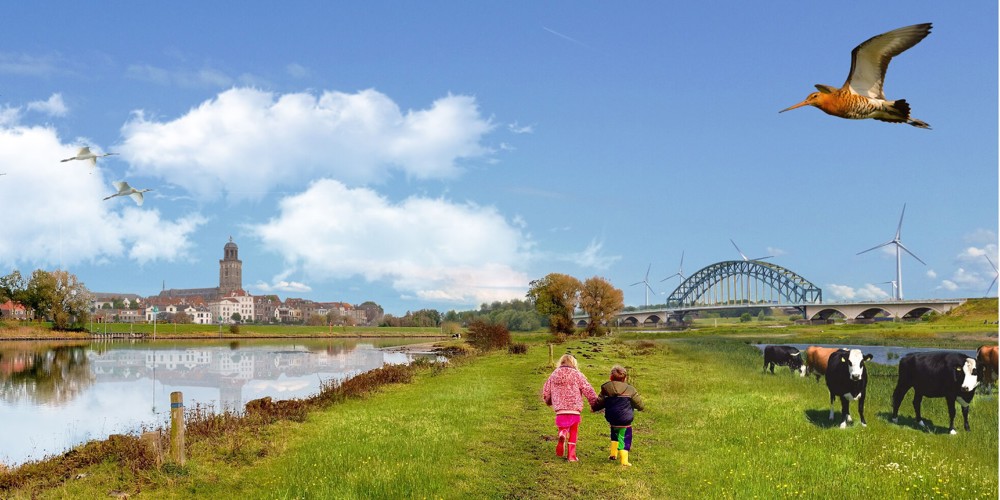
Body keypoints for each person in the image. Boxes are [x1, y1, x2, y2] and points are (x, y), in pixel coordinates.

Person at [541, 354, 599, 462]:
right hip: (574, 409)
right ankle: (571, 456)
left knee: (563, 427)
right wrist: (594, 405)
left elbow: (546, 391)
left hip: (560, 410)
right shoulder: (577, 374)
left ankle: (562, 433)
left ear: (561, 362)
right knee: (573, 432)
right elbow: (588, 390)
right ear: (574, 363)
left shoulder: (554, 374)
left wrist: (548, 401)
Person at [592, 364, 645, 466]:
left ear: (611, 377)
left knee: (614, 434)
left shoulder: (606, 388)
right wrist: (640, 408)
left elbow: (599, 402)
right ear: (624, 378)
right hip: (625, 420)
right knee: (625, 438)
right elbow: (639, 404)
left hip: (612, 418)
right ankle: (624, 461)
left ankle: (613, 454)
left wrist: (594, 408)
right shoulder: (630, 389)